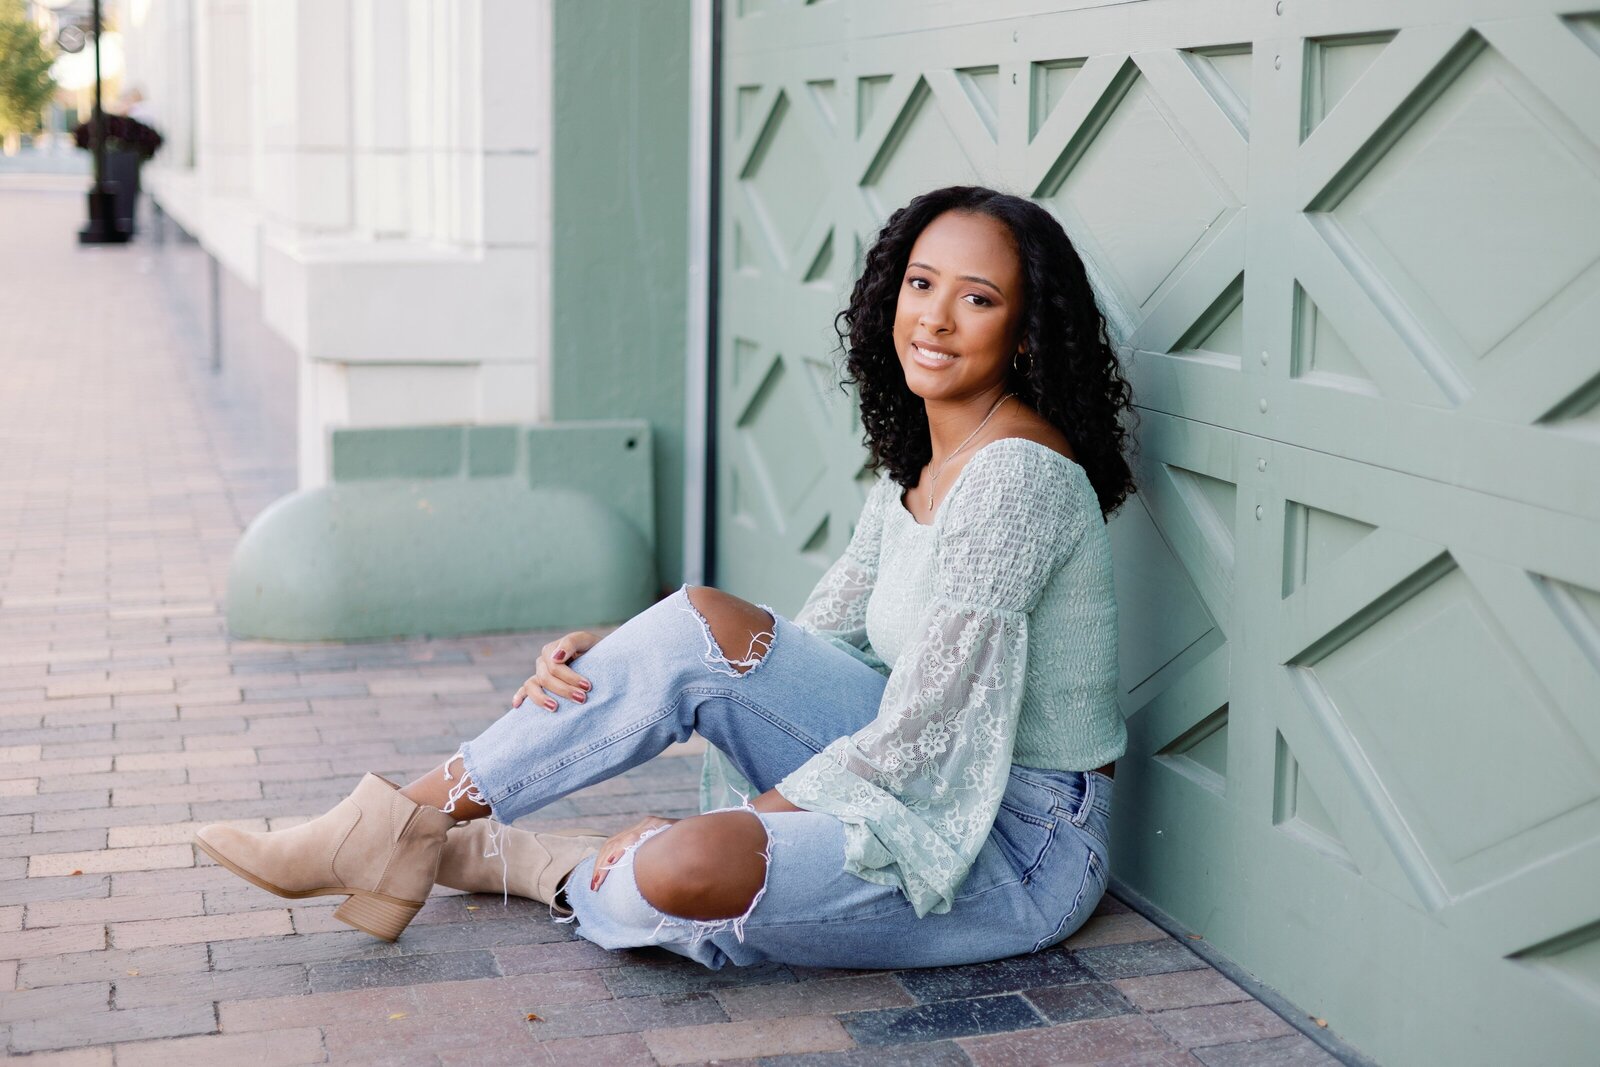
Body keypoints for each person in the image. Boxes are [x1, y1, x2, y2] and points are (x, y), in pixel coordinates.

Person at [195, 184, 1137, 969]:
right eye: (921, 283)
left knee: (682, 870)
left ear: (1022, 332)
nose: (933, 316)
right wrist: (632, 654)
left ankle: (546, 866)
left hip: (1017, 838)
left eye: (975, 297)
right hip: (923, 772)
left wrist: (749, 814)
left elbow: (928, 731)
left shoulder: (1015, 476)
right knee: (695, 621)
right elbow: (805, 644)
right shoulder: (924, 464)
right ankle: (402, 821)